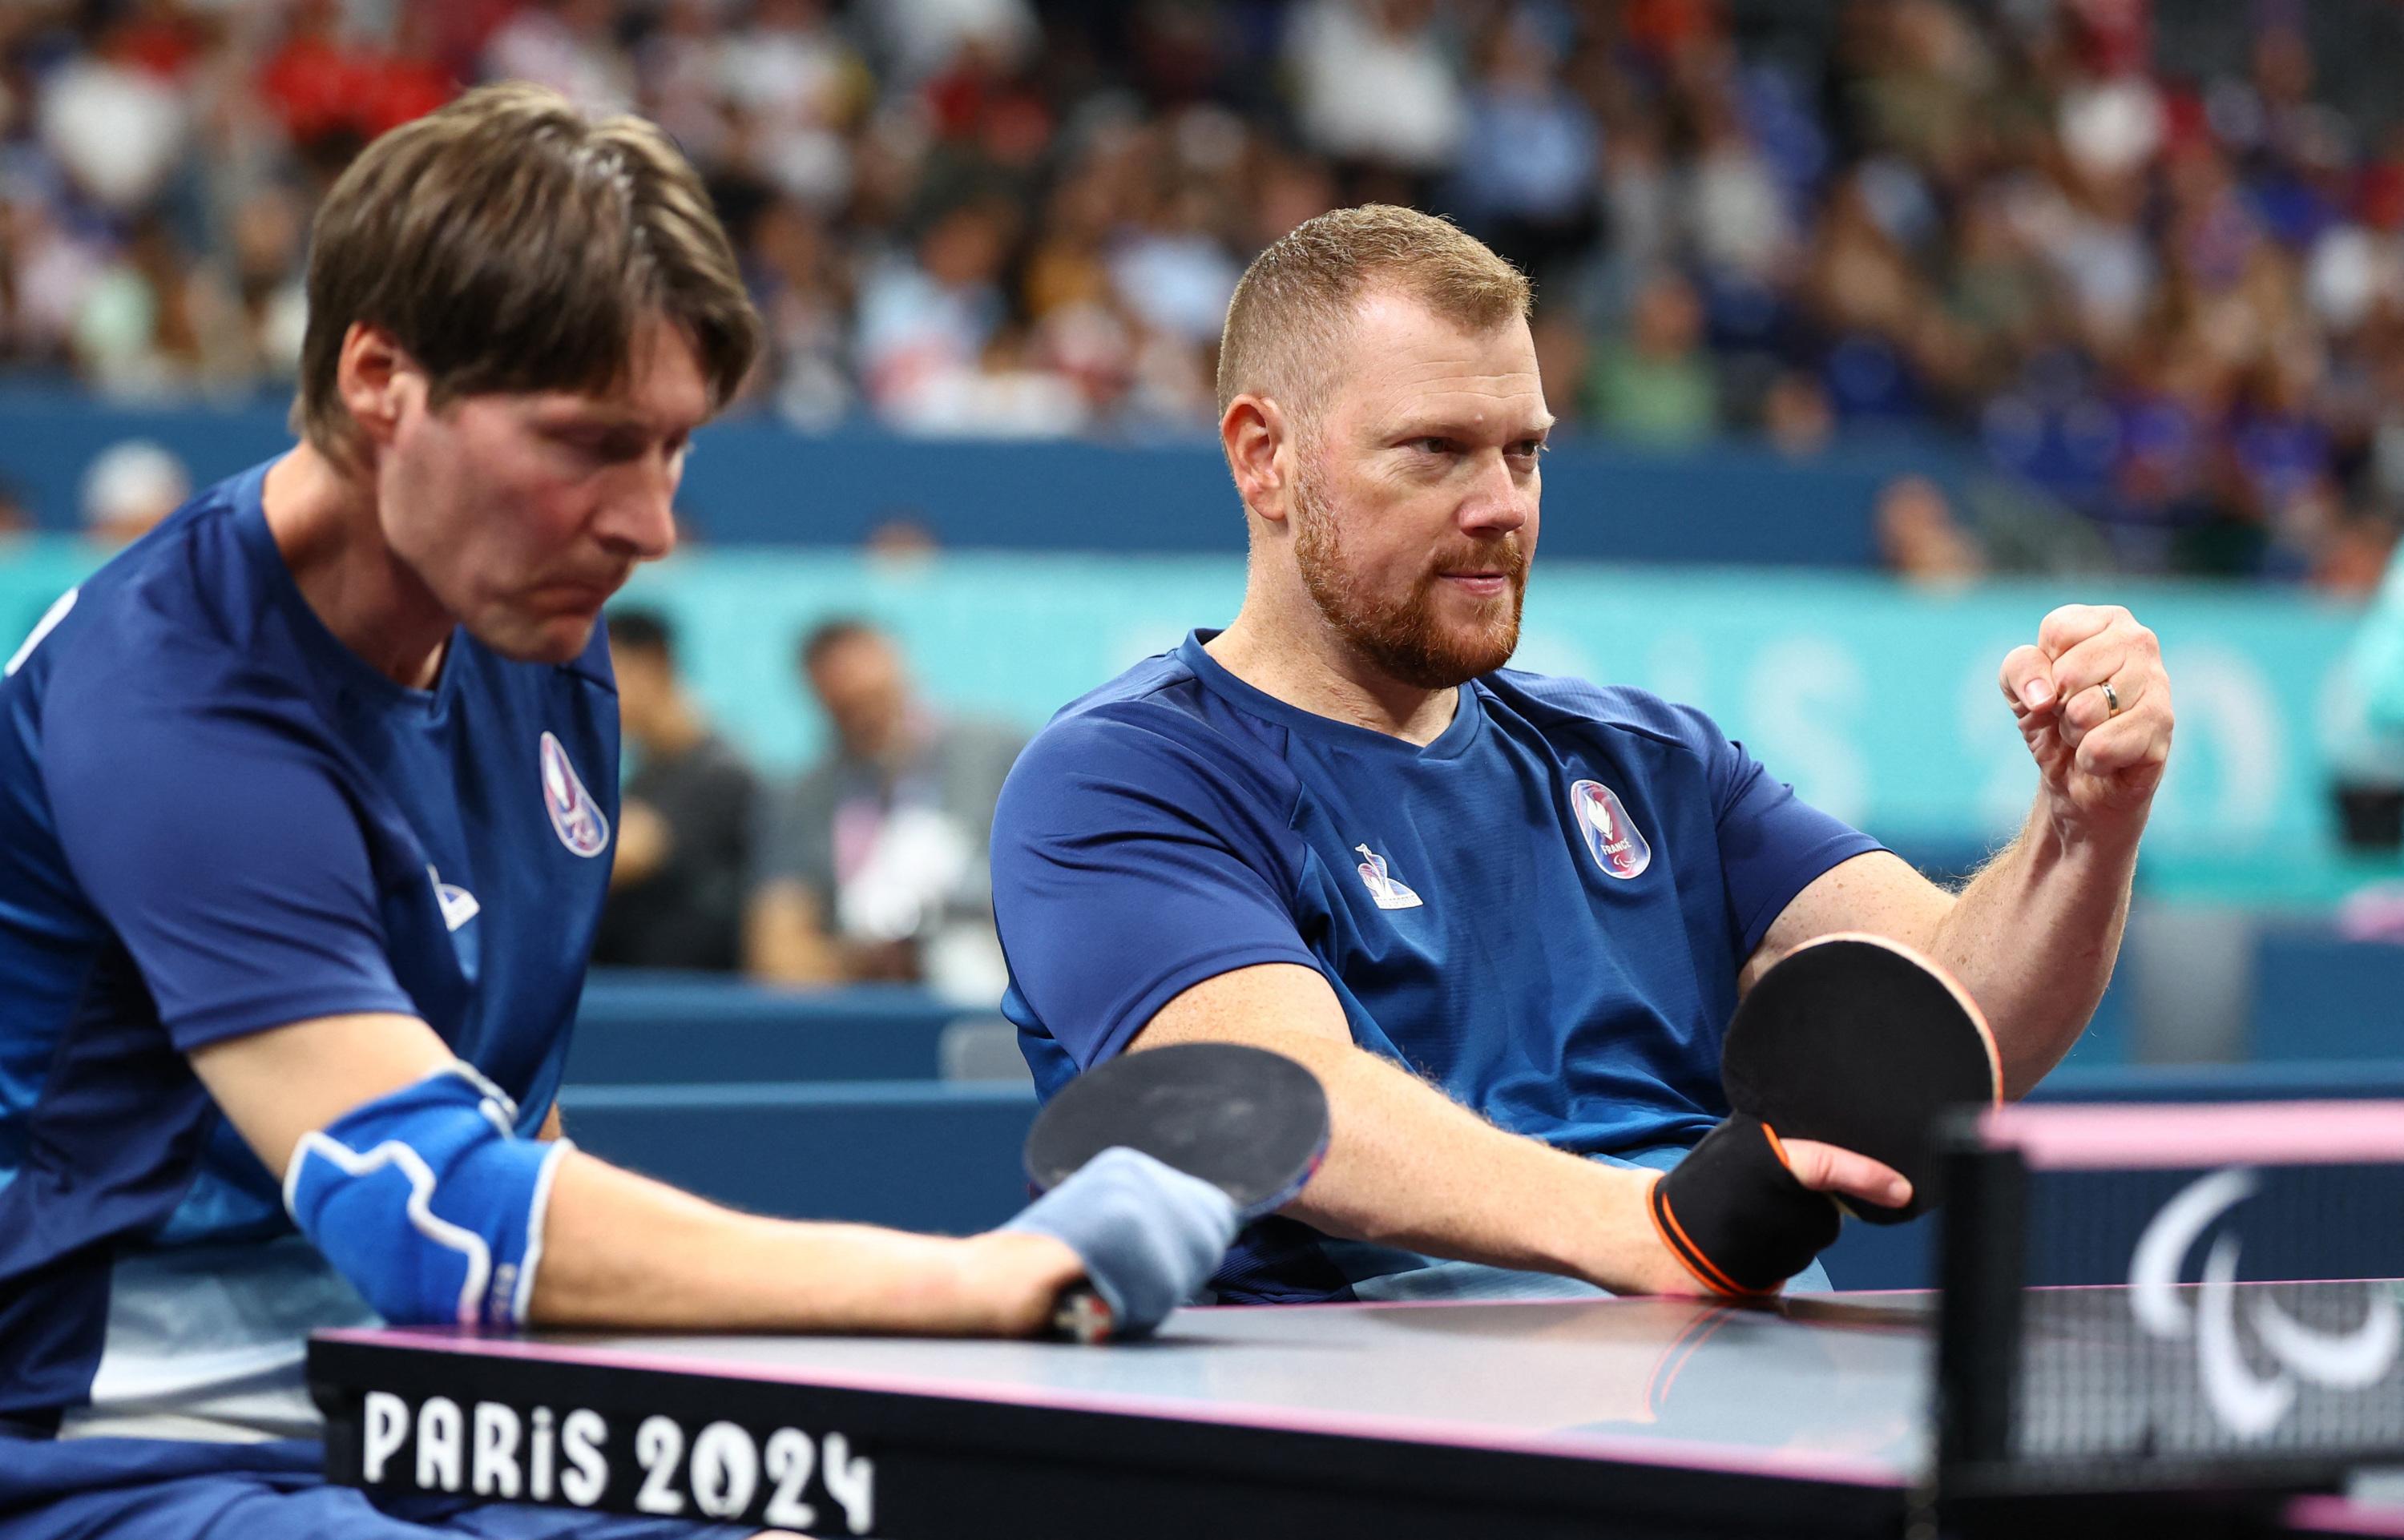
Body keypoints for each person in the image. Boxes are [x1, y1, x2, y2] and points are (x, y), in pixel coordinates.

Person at [0, 85, 1240, 1540]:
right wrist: (976, 1284)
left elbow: (525, 1136)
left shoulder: (534, 635)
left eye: (674, 447)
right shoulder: (172, 699)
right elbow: (433, 1217)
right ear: (380, 380)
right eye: (590, 444)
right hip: (123, 1451)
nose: (650, 526)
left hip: (431, 1422)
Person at [990, 205, 2178, 1306]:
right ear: (1265, 458)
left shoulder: (1649, 759)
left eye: (1525, 450)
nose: (1501, 503)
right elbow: (1285, 1100)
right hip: (1378, 1421)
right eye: (1436, 450)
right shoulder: (1126, 776)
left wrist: (2085, 825)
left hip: (1746, 1396)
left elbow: (1947, 1013)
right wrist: (1670, 1228)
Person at [746, 617, 1023, 1001]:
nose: (871, 720)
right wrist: (858, 961)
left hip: (997, 991)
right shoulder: (803, 798)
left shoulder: (998, 757)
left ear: (904, 672)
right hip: (866, 1002)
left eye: (877, 698)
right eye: (848, 710)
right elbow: (777, 953)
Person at [591, 607, 757, 971]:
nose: (589, 694)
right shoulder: (647, 777)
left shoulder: (720, 772)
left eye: (601, 673)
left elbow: (620, 856)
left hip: (688, 1003)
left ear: (652, 664)